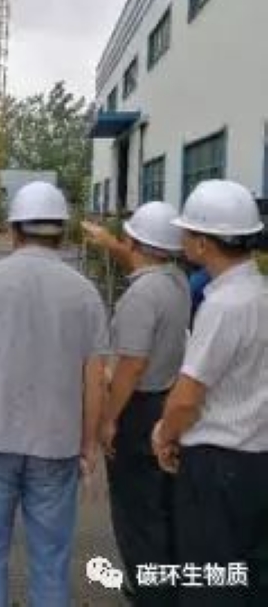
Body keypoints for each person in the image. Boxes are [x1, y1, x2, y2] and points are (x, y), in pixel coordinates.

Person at [0, 181, 108, 607]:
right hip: (56, 445)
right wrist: (89, 443)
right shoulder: (84, 292)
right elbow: (95, 377)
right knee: (50, 560)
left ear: (13, 231)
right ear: (62, 233)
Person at [152, 179, 268, 605]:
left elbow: (187, 397)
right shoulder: (259, 293)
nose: (182, 239)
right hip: (256, 459)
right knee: (248, 578)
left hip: (218, 465)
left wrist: (164, 435)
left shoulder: (222, 306)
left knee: (209, 582)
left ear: (203, 243)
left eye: (187, 232)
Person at [85, 202, 190, 605]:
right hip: (166, 400)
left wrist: (108, 419)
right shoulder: (177, 281)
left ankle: (149, 594)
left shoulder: (141, 296)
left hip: (137, 408)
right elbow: (141, 257)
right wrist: (110, 243)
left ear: (135, 243)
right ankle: (166, 584)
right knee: (161, 504)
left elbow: (131, 366)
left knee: (135, 510)